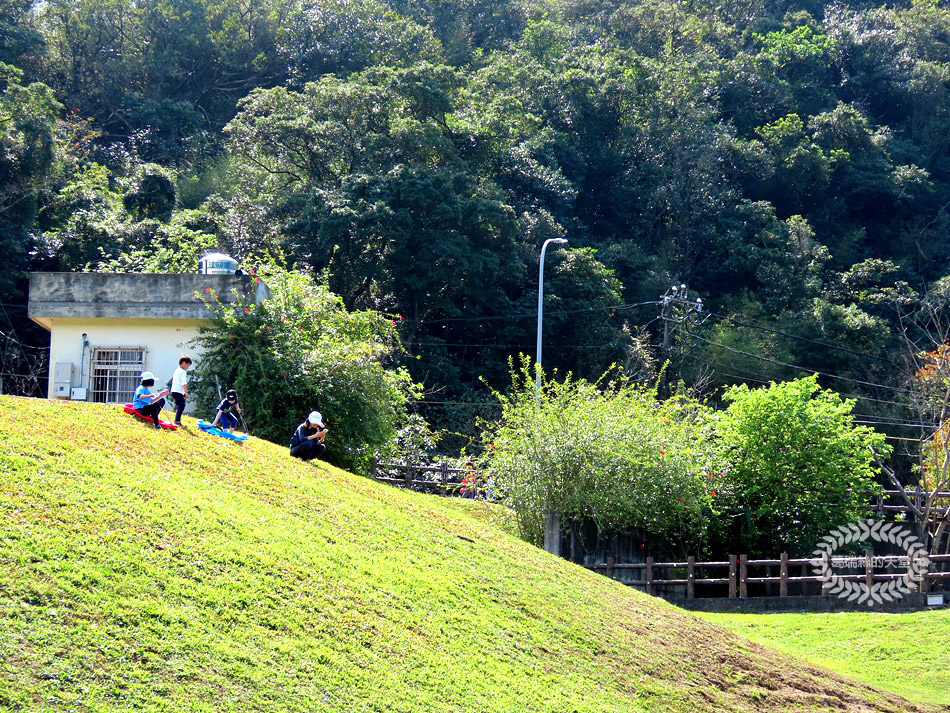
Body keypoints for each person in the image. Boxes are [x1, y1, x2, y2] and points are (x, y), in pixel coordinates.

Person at [169, 355, 192, 426]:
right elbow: (183, 383)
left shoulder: (177, 370)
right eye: (188, 365)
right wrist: (186, 392)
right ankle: (177, 420)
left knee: (180, 405)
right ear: (184, 363)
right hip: (178, 391)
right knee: (182, 405)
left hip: (174, 391)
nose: (187, 368)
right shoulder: (182, 371)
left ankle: (177, 420)